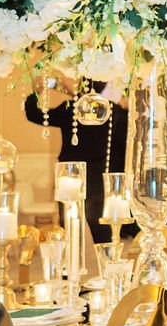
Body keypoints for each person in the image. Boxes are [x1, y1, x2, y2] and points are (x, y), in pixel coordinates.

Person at [24, 87, 136, 244]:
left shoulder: (71, 108)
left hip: (69, 172)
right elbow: (126, 138)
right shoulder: (112, 110)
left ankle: (69, 263)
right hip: (96, 172)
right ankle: (107, 261)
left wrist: (36, 91)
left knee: (69, 223)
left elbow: (34, 114)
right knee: (99, 226)